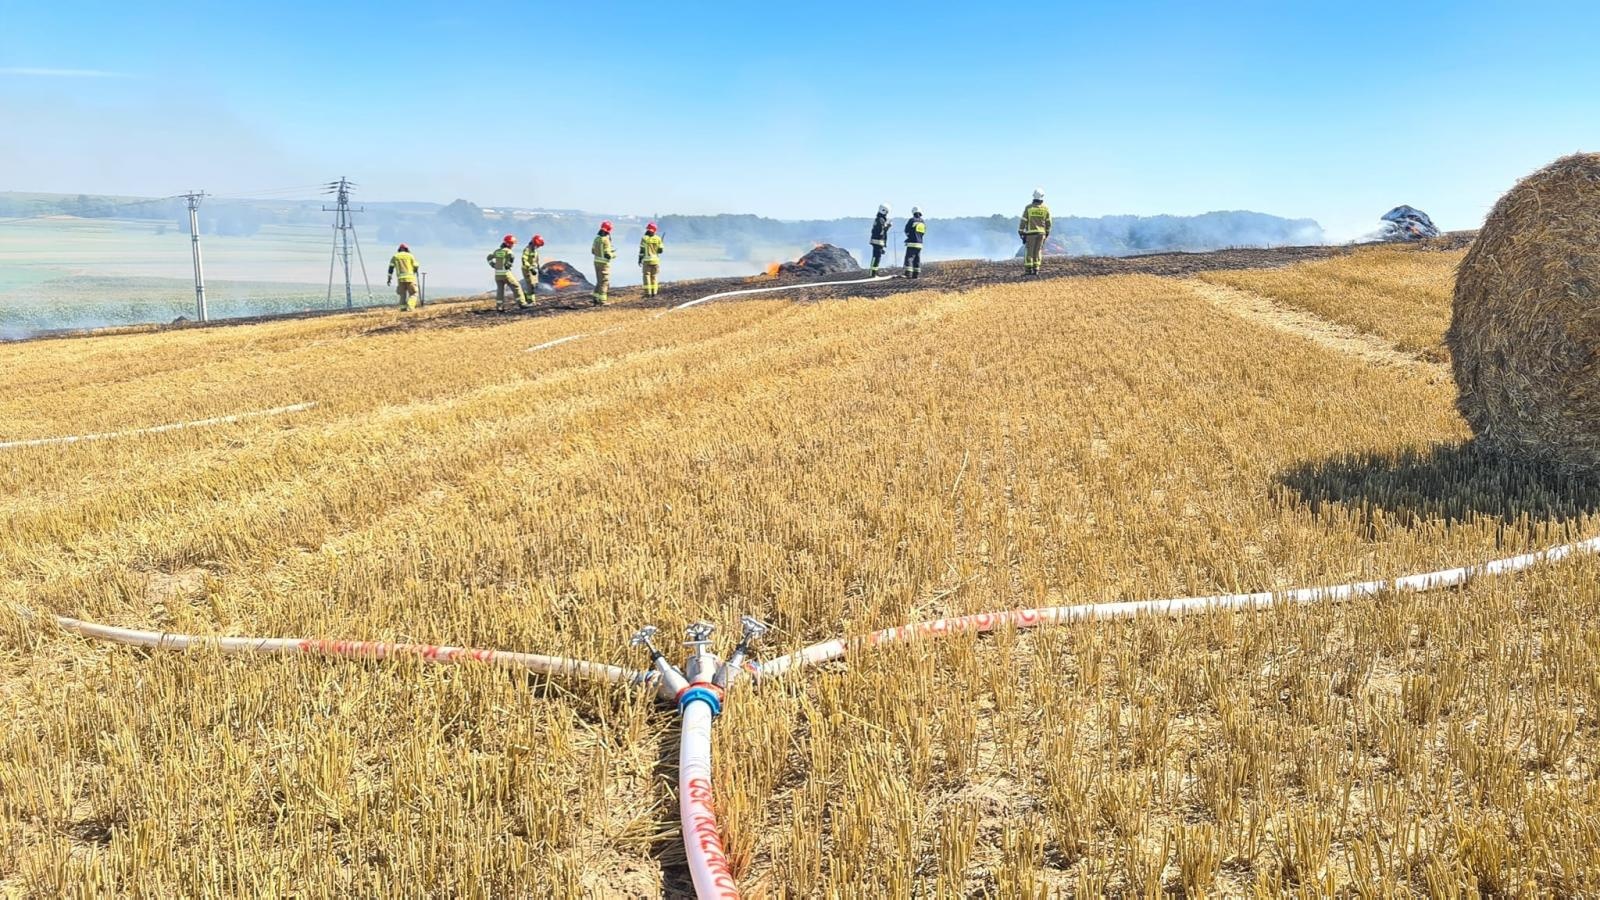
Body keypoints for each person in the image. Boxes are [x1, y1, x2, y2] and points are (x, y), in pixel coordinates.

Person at [486, 234, 524, 311]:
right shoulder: (508, 251)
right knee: (516, 286)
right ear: (508, 243)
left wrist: (492, 264)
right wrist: (508, 265)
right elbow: (511, 257)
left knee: (500, 290)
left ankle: (499, 307)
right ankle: (522, 303)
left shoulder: (498, 251)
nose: (513, 245)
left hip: (498, 274)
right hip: (506, 273)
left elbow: (489, 257)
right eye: (512, 243)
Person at [1019, 189, 1052, 276]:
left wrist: (1021, 231)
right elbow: (1049, 222)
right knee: (1038, 251)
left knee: (1029, 251)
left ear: (1033, 196)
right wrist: (1047, 232)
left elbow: (1024, 220)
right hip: (1041, 233)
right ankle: (1036, 269)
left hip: (1030, 234)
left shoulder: (1029, 208)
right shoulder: (1045, 208)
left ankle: (1028, 270)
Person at [387, 243, 420, 310]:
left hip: (400, 279)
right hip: (410, 278)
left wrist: (389, 279)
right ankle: (410, 307)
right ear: (407, 249)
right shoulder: (410, 256)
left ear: (399, 249)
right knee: (414, 293)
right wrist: (415, 271)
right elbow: (416, 265)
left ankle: (402, 309)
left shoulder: (395, 257)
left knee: (402, 294)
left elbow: (391, 268)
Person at [591, 221, 616, 305]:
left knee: (599, 281)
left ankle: (595, 298)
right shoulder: (606, 240)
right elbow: (607, 255)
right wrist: (613, 254)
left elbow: (593, 251)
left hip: (596, 262)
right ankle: (602, 301)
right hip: (603, 264)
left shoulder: (596, 238)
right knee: (604, 281)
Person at [638, 222, 664, 298]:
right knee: (654, 276)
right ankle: (654, 293)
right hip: (655, 261)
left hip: (646, 260)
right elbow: (660, 251)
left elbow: (642, 250)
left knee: (646, 276)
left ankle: (648, 293)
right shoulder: (658, 238)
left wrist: (639, 259)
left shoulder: (644, 238)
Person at [520, 234, 545, 307]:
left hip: (534, 270)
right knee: (530, 285)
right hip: (527, 270)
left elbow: (536, 261)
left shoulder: (535, 250)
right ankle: (530, 301)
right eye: (538, 245)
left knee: (533, 286)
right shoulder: (527, 249)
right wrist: (531, 268)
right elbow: (524, 260)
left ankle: (531, 300)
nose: (538, 247)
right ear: (534, 242)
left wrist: (539, 269)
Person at [902, 207, 926, 279]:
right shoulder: (923, 222)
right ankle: (916, 275)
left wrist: (909, 237)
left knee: (909, 258)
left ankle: (908, 274)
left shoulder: (912, 220)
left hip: (912, 243)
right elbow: (924, 232)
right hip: (920, 244)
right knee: (917, 259)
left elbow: (906, 230)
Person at [868, 205, 892, 276]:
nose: (887, 214)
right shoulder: (880, 220)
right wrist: (888, 226)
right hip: (878, 241)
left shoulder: (879, 219)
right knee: (876, 257)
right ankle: (872, 273)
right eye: (887, 212)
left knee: (876, 257)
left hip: (877, 241)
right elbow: (881, 232)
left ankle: (874, 272)